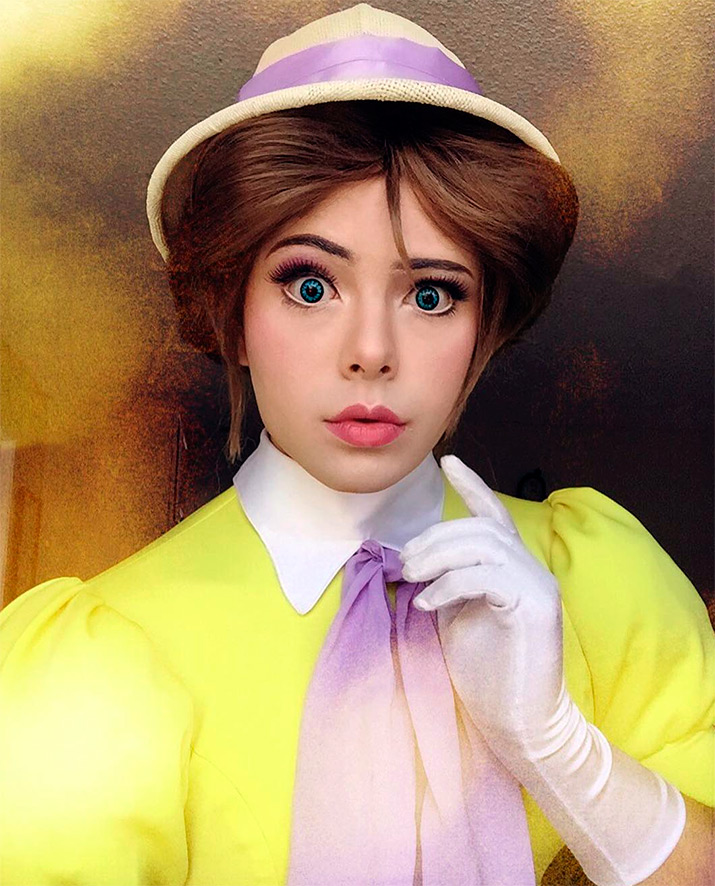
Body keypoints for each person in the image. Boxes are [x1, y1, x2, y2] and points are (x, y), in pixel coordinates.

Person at [0, 4, 712, 885]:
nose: (371, 350)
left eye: (431, 295)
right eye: (309, 285)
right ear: (232, 314)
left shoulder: (601, 579)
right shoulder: (98, 657)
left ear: (483, 329)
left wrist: (555, 746)